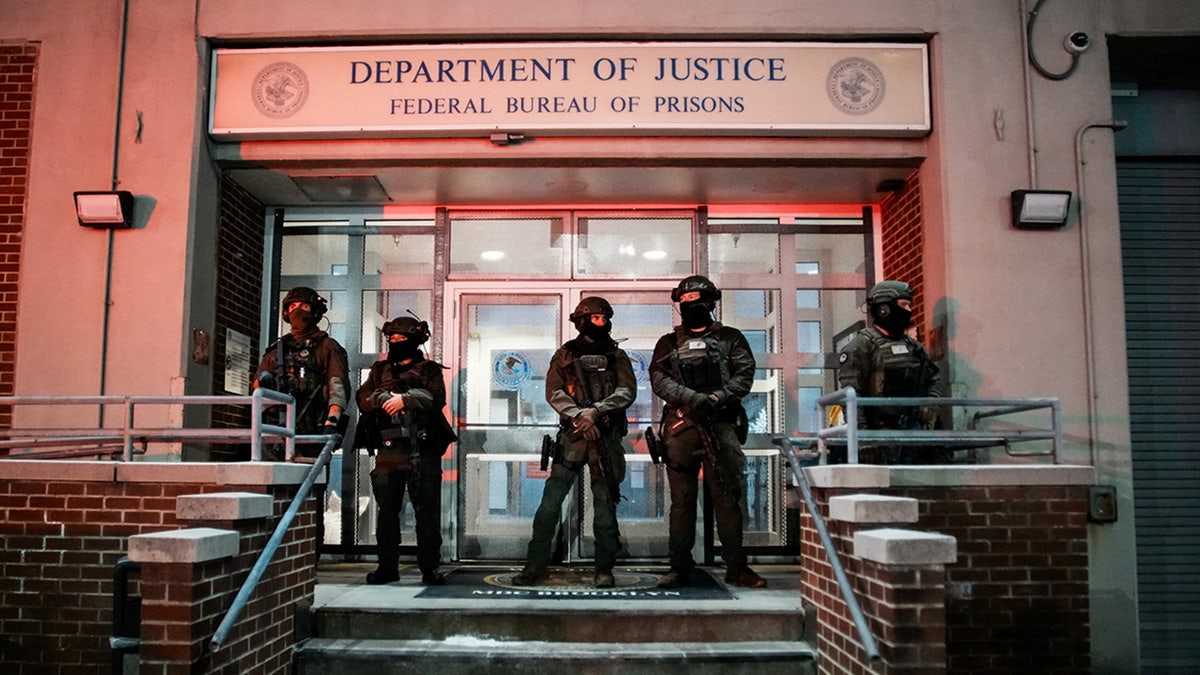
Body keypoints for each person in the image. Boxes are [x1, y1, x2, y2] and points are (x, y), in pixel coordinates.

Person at [649, 275, 766, 589]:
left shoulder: (731, 338)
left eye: (696, 299)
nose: (689, 305)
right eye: (684, 301)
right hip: (682, 428)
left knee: (728, 500)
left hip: (721, 425)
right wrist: (692, 398)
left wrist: (717, 398)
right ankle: (679, 567)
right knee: (681, 503)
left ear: (711, 301)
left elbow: (745, 373)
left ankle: (736, 567)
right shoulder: (668, 343)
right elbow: (659, 380)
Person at [512, 297, 637, 589]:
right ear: (582, 321)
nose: (602, 323)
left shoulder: (617, 356)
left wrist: (596, 412)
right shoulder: (565, 355)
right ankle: (535, 566)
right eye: (596, 318)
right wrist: (580, 416)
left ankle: (604, 569)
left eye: (605, 318)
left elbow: (626, 392)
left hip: (605, 440)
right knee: (549, 506)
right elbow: (554, 391)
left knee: (605, 509)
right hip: (573, 438)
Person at [355, 315, 456, 585]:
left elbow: (437, 399)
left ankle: (429, 568)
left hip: (422, 450)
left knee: (427, 512)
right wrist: (383, 398)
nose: (396, 343)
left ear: (416, 340)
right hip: (390, 452)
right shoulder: (379, 371)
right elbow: (363, 399)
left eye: (403, 339)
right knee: (387, 513)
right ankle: (387, 568)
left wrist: (406, 400)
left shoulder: (429, 370)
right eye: (393, 339)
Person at [835, 280, 943, 464]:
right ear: (883, 309)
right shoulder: (861, 347)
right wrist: (863, 438)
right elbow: (851, 396)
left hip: (915, 436)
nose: (909, 310)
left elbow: (934, 378)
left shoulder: (914, 347)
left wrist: (931, 402)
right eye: (904, 305)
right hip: (879, 436)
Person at [253, 286, 350, 459]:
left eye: (303, 306)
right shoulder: (277, 350)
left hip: (312, 427)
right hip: (277, 430)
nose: (297, 310)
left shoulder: (327, 347)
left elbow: (338, 387)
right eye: (292, 307)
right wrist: (265, 381)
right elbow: (256, 388)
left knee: (310, 482)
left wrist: (331, 422)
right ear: (286, 313)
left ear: (315, 312)